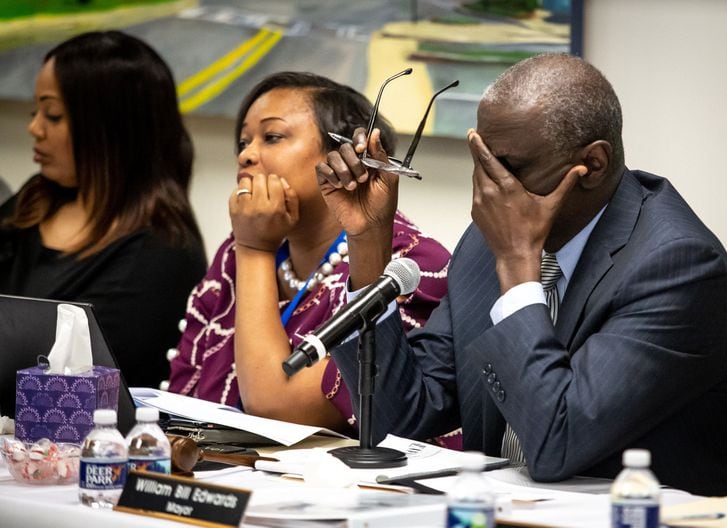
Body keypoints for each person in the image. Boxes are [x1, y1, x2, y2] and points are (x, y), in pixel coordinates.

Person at [316, 54, 727, 495]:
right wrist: (369, 241)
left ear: (592, 166)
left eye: (509, 168)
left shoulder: (677, 266)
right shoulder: (486, 245)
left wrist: (519, 268)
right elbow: (400, 419)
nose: (486, 191)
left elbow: (554, 445)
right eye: (481, 163)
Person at [168, 72, 456, 442]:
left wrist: (255, 251)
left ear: (346, 156)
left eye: (271, 137)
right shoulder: (236, 250)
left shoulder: (410, 263)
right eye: (243, 141)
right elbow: (182, 398)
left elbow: (278, 405)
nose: (246, 154)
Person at [0, 31, 207, 389]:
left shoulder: (162, 251)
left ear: (109, 127)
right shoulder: (32, 202)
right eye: (37, 112)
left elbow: (71, 377)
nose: (34, 128)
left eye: (53, 115)